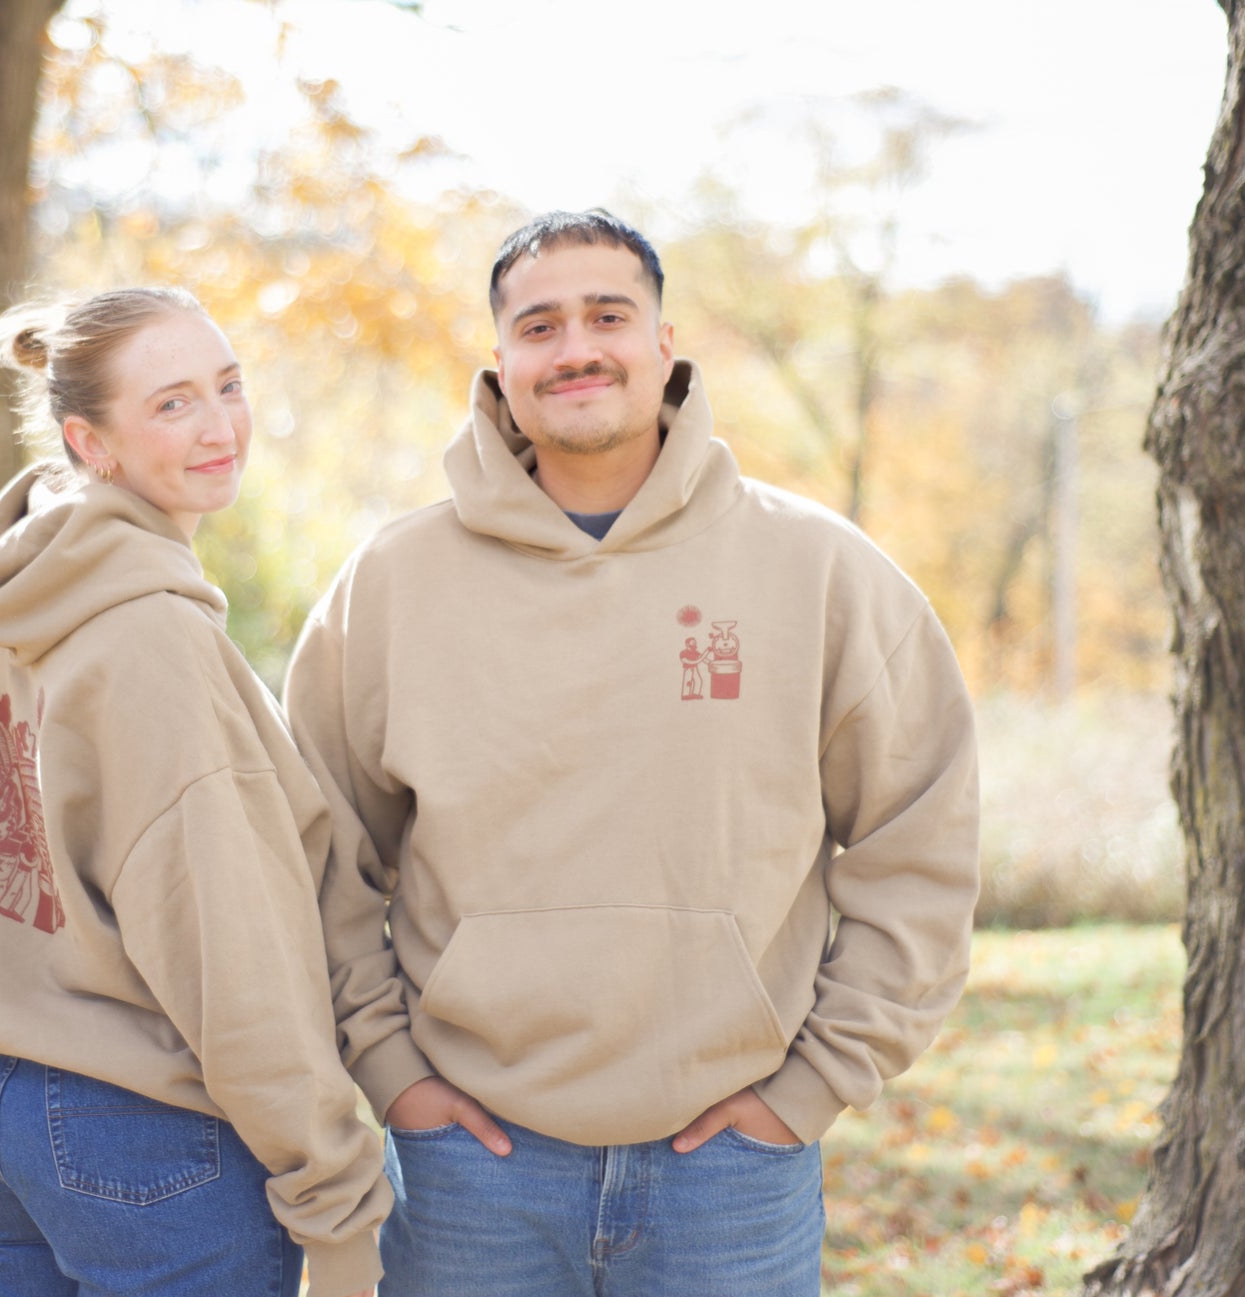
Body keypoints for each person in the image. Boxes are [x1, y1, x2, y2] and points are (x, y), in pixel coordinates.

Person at [284, 211, 980, 1296]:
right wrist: (391, 1072)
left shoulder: (817, 570)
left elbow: (919, 842)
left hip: (732, 1175)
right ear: (500, 364)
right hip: (470, 1165)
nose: (575, 349)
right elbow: (318, 851)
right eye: (538, 326)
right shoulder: (391, 584)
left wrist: (809, 1088)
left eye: (607, 316)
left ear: (663, 346)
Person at [0, 287, 390, 1297]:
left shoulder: (18, 595)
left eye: (227, 384)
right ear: (93, 441)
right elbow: (224, 939)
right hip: (139, 1137)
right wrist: (336, 1200)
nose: (220, 425)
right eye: (170, 404)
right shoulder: (152, 635)